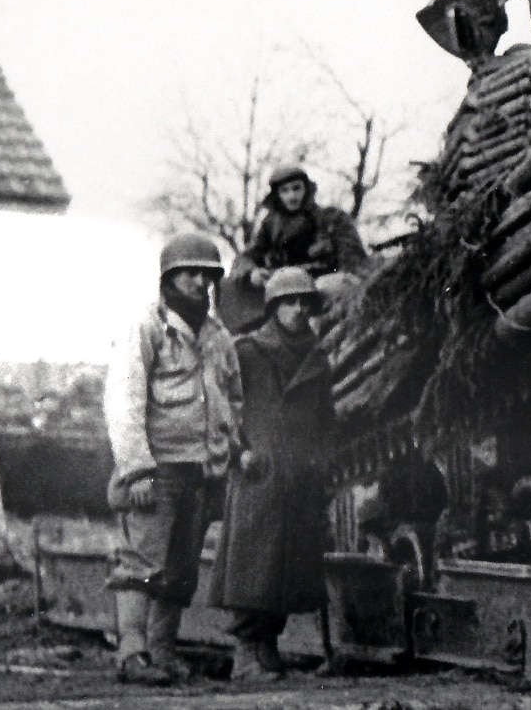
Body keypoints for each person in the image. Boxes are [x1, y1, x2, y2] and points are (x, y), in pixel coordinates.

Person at [103, 232, 238, 685]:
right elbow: (123, 402)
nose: (200, 282)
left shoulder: (219, 336)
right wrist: (137, 468)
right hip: (156, 470)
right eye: (190, 273)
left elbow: (233, 398)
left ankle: (162, 651)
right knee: (141, 562)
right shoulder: (146, 328)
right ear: (168, 278)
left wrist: (224, 449)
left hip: (200, 469)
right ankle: (131, 652)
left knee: (181, 568)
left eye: (207, 274)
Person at [209, 267, 336, 681]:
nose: (298, 310)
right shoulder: (247, 351)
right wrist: (237, 452)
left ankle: (269, 651)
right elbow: (218, 407)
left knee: (285, 569)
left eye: (304, 302)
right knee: (253, 566)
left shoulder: (317, 357)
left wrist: (321, 465)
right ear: (272, 308)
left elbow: (325, 421)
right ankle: (246, 656)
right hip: (257, 474)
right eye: (288, 302)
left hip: (299, 477)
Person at [222, 165, 370, 333]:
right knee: (228, 287)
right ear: (277, 195)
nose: (292, 196)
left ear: (306, 189)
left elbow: (354, 265)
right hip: (283, 289)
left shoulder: (332, 219)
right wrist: (251, 273)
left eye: (296, 188)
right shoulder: (270, 226)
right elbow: (245, 257)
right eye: (284, 191)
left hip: (322, 287)